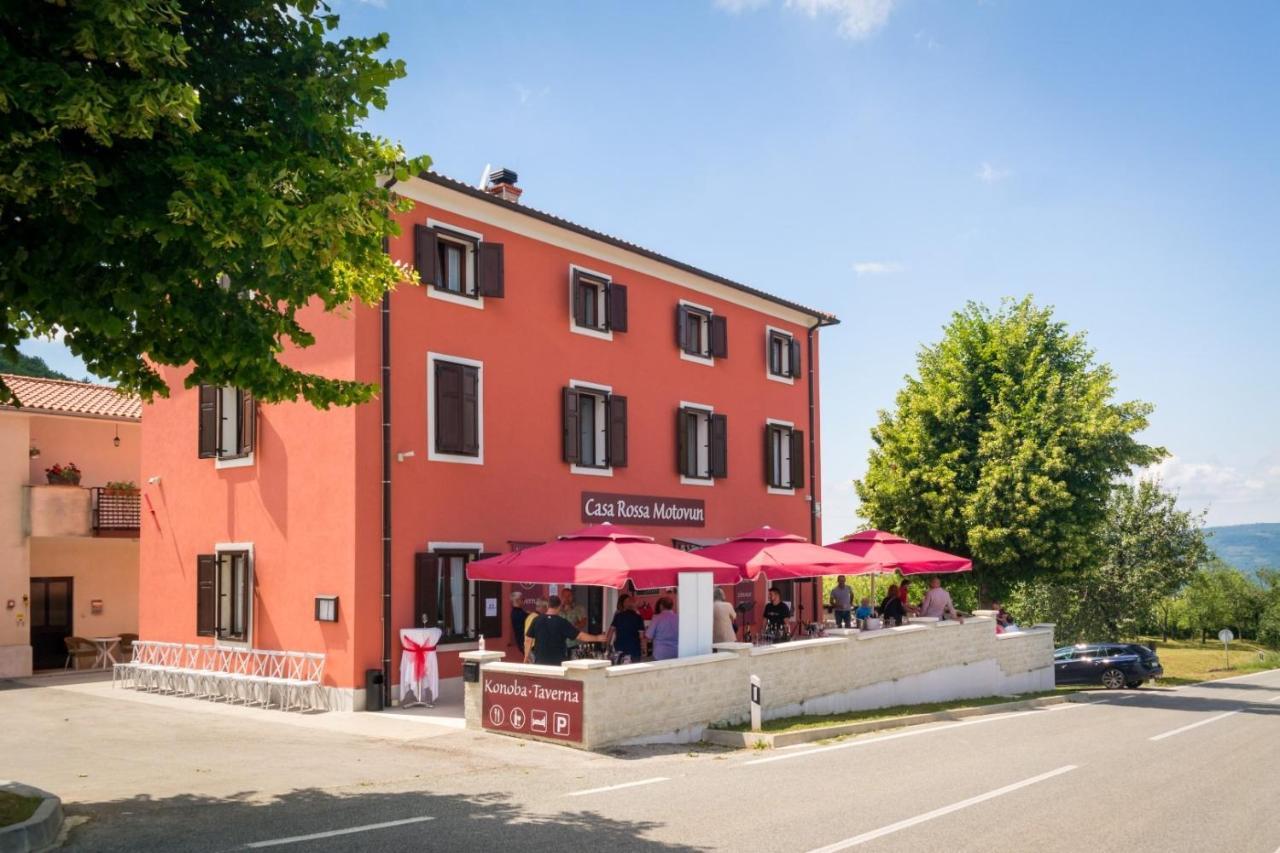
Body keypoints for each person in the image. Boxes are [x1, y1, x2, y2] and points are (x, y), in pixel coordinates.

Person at [524, 595, 605, 666]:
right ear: (559, 607)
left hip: (540, 662)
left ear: (548, 606)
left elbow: (528, 640)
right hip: (558, 663)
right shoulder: (562, 622)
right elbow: (580, 636)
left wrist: (526, 656)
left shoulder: (536, 620)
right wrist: (597, 638)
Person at [606, 594, 646, 663]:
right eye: (627, 601)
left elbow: (611, 631)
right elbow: (641, 636)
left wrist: (607, 646)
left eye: (629, 601)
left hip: (621, 648)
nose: (629, 603)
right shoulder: (637, 616)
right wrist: (644, 649)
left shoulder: (618, 616)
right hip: (633, 650)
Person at [558, 587, 587, 651]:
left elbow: (583, 622)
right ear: (561, 597)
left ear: (572, 597)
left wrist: (575, 626)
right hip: (560, 644)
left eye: (569, 596)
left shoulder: (579, 608)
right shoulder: (557, 610)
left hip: (575, 643)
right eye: (564, 596)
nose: (567, 598)